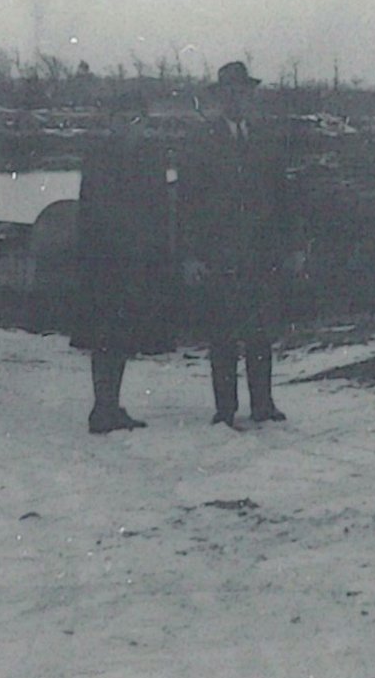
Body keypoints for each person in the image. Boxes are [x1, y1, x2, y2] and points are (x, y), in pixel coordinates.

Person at [182, 61, 301, 428]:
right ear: (220, 98)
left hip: (261, 253)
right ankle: (225, 409)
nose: (238, 99)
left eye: (243, 92)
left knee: (260, 333)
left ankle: (262, 404)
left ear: (250, 97)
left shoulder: (265, 141)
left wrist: (293, 247)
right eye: (230, 92)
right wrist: (191, 255)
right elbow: (187, 203)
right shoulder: (201, 143)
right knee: (223, 335)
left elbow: (284, 199)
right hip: (219, 253)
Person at [69, 86, 180, 435]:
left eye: (136, 120)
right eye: (123, 119)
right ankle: (102, 408)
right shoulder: (99, 156)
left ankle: (110, 406)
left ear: (144, 123)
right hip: (105, 260)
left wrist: (157, 252)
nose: (130, 126)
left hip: (138, 260)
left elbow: (160, 210)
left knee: (122, 335)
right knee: (105, 335)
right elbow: (92, 210)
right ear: (111, 122)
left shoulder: (151, 157)